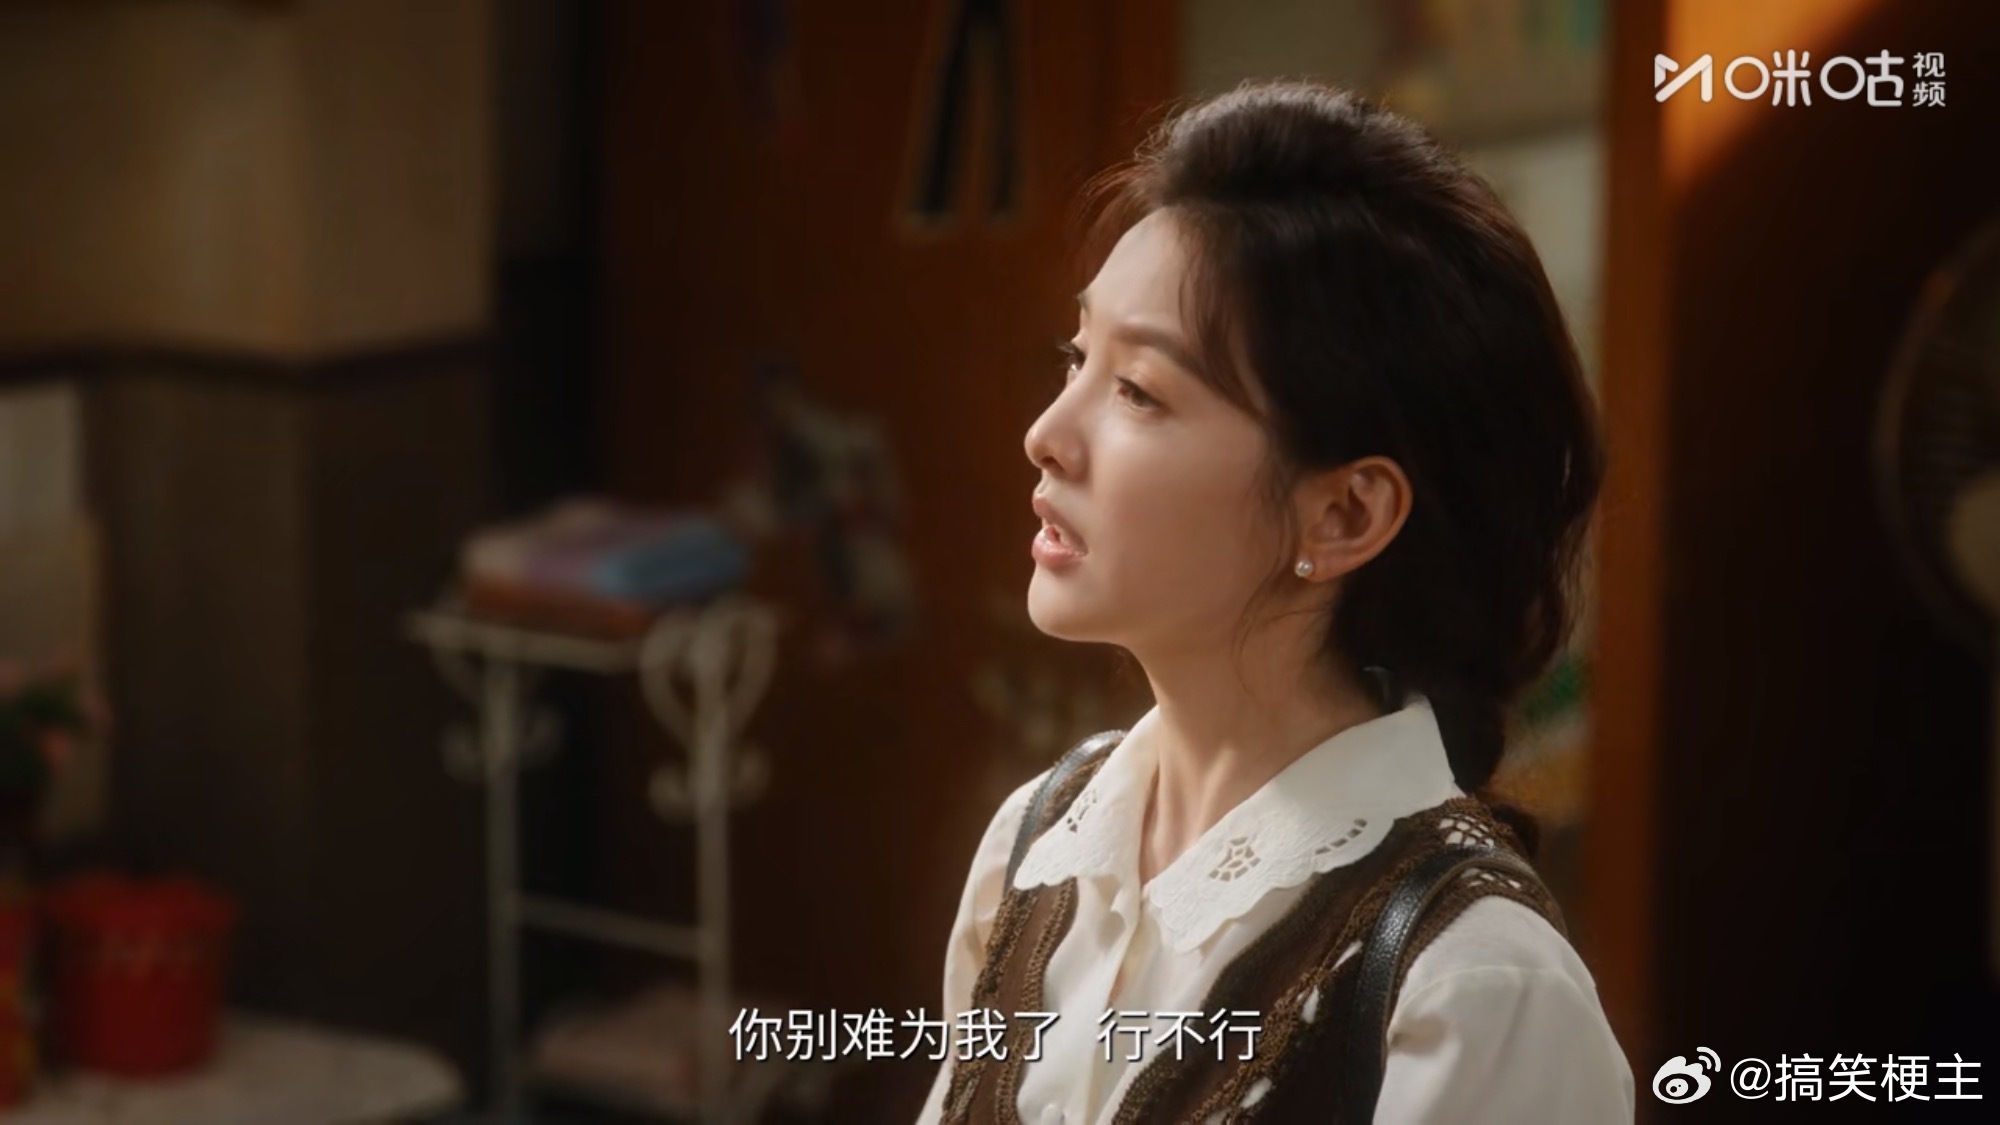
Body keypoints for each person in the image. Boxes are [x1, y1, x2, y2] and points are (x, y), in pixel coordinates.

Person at [917, 81, 1634, 1123]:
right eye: (1077, 358)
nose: (1047, 434)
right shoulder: (1033, 847)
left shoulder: (1471, 988)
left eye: (1137, 390)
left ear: (1345, 514)